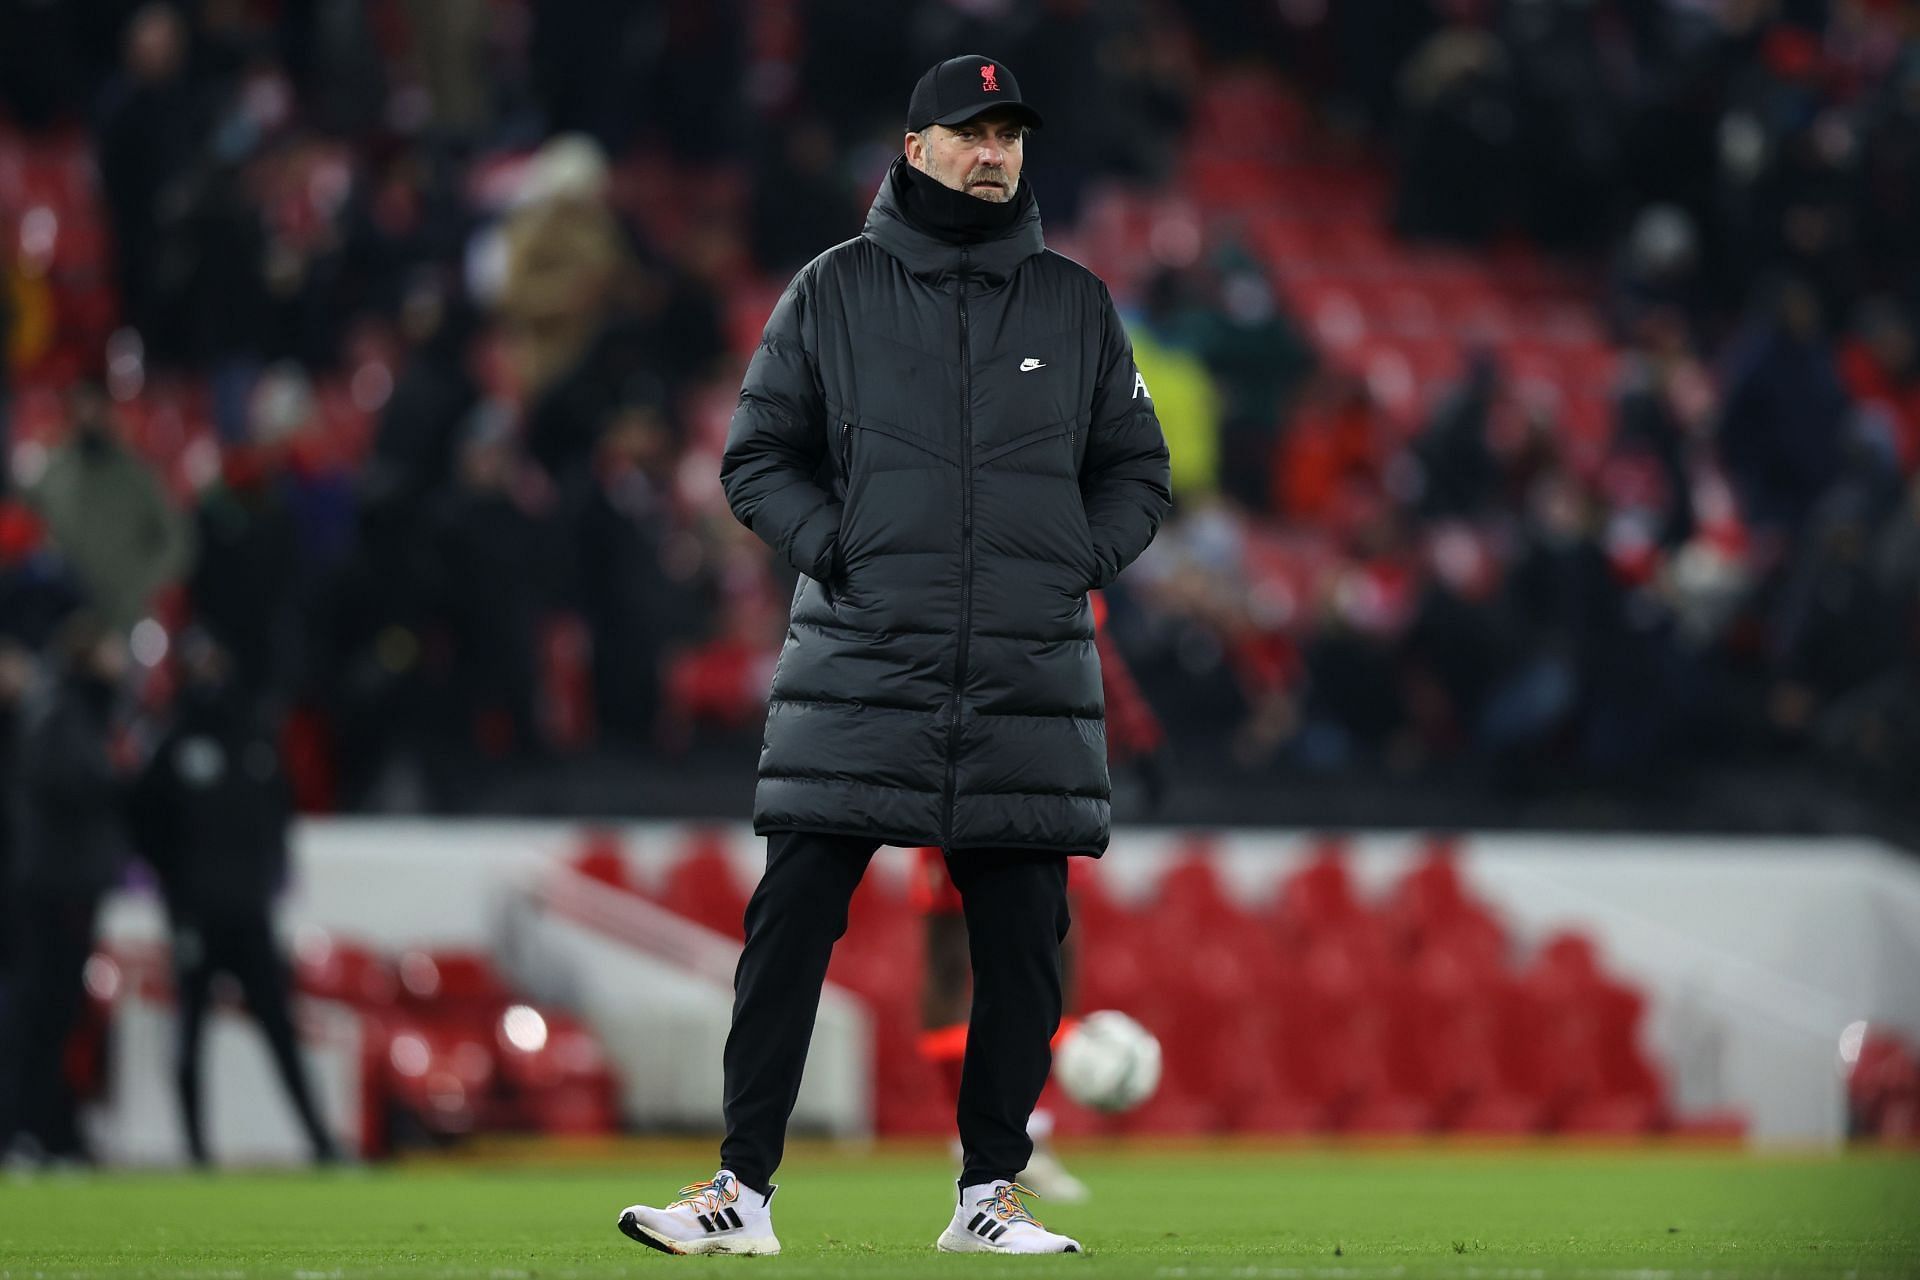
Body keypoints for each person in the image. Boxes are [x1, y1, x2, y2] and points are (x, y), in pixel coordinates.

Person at [617, 54, 1170, 1257]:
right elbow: (755, 455)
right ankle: (741, 1191)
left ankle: (989, 1195)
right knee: (793, 921)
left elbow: (1139, 467)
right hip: (863, 656)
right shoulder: (831, 292)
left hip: (1024, 666)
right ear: (914, 148)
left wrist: (1077, 557)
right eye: (971, 131)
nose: (995, 151)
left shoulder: (1075, 302)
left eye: (1011, 133)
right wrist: (840, 549)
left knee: (1023, 939)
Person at [914, 594, 1168, 1205]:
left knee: (1051, 951)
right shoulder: (953, 543)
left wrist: (1140, 738)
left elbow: (1093, 648)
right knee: (953, 957)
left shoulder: (1052, 548)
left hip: (1037, 767)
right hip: (953, 763)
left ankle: (1027, 1131)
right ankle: (977, 1136)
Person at [127, 632, 337, 1166]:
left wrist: (267, 879)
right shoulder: (172, 744)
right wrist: (178, 892)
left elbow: (278, 813)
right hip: (196, 915)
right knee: (190, 1034)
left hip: (249, 914)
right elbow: (144, 823)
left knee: (279, 1030)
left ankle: (321, 1142)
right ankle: (197, 1151)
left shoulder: (254, 741)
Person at [1, 615, 129, 1166]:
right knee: (37, 1012)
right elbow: (72, 785)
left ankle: (46, 1128)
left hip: (65, 882)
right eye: (111, 647)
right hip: (54, 885)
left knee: (55, 1014)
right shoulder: (61, 712)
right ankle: (22, 1128)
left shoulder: (73, 711)